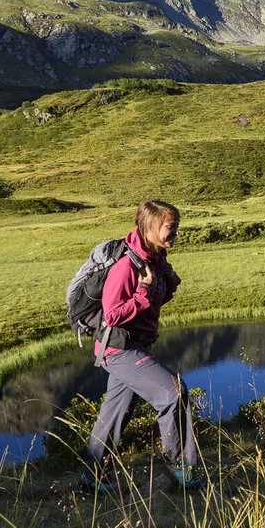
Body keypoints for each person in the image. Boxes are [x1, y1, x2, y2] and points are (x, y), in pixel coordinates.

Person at [87, 199, 202, 491]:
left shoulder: (154, 259)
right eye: (170, 228)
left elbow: (149, 306)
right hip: (120, 350)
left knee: (114, 415)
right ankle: (180, 469)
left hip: (136, 347)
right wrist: (144, 290)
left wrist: (167, 287)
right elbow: (112, 315)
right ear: (150, 228)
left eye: (176, 227)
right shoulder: (127, 266)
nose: (176, 234)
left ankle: (94, 478)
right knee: (174, 393)